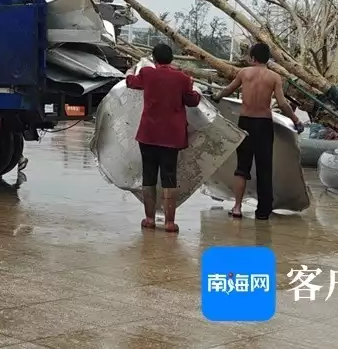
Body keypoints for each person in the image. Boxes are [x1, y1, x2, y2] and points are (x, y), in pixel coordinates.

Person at [210, 42, 301, 220]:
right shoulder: (274, 77)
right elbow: (282, 104)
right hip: (264, 125)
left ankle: (237, 208)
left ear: (252, 58)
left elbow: (228, 90)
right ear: (268, 59)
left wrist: (216, 97)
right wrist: (295, 120)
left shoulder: (244, 73)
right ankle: (263, 212)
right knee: (264, 167)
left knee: (242, 168)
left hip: (245, 123)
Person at [126, 43, 201, 233]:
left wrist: (131, 71)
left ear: (154, 58)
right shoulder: (182, 78)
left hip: (149, 133)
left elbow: (131, 82)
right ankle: (169, 222)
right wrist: (196, 91)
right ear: (171, 59)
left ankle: (149, 219)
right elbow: (192, 101)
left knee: (149, 175)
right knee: (169, 176)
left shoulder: (148, 74)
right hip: (172, 135)